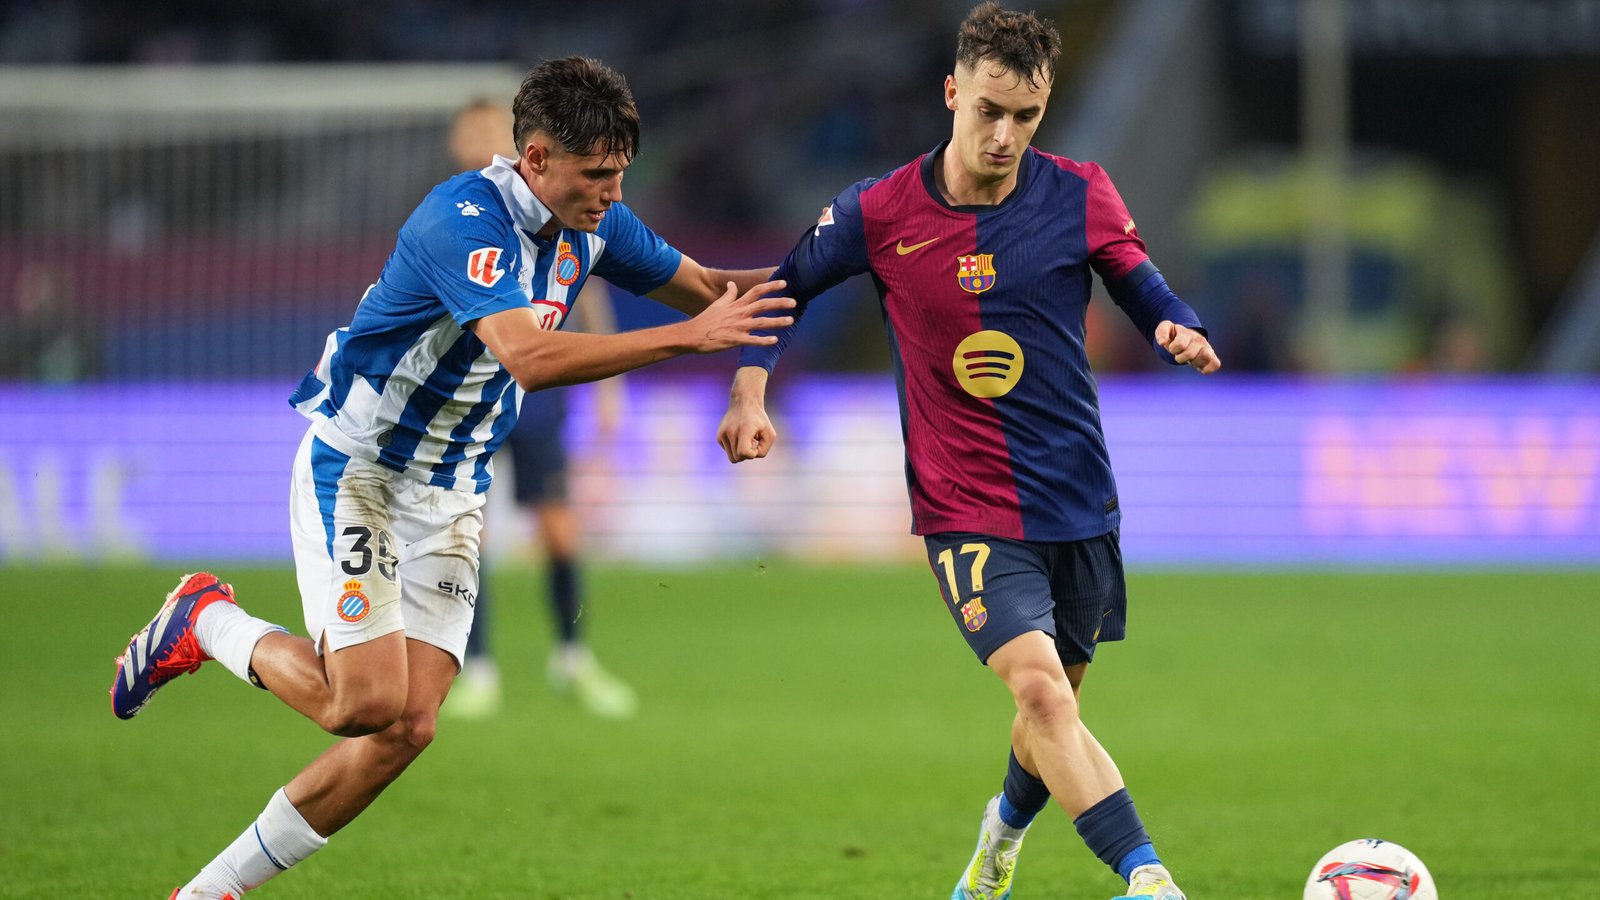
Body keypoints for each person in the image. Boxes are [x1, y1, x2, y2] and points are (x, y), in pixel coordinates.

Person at [110, 56, 792, 898]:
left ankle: (209, 890)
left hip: (453, 488)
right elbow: (529, 355)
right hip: (361, 471)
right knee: (358, 706)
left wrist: (850, 262)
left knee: (408, 727)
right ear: (535, 158)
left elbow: (718, 293)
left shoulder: (597, 222)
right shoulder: (461, 220)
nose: (613, 193)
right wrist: (691, 342)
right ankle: (205, 618)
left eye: (621, 174)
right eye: (596, 175)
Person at [716, 6, 1219, 900]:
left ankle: (1001, 837)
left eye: (1025, 116)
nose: (1004, 133)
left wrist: (1175, 323)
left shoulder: (1079, 192)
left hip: (1076, 494)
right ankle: (1148, 879)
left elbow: (1141, 281)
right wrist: (749, 389)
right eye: (989, 109)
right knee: (1039, 691)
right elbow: (781, 291)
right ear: (954, 92)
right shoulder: (879, 210)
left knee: (1054, 703)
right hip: (965, 504)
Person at [441, 98, 638, 720]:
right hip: (464, 397)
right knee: (471, 534)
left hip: (535, 395)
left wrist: (610, 388)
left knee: (558, 525)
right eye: (469, 131)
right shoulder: (457, 212)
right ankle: (476, 669)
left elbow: (590, 288)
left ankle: (572, 658)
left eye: (488, 129)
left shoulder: (559, 212)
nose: (478, 141)